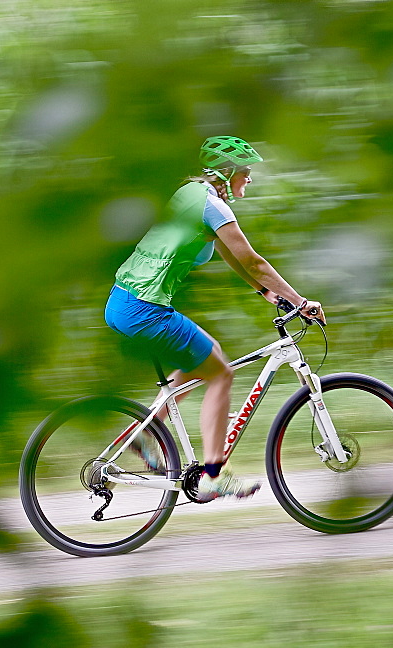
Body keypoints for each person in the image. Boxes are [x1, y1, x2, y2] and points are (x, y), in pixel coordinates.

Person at [104, 136, 325, 502]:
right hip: (145, 307)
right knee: (220, 371)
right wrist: (299, 302)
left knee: (205, 361)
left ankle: (145, 434)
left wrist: (267, 293)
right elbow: (253, 260)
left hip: (125, 302)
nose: (250, 178)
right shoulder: (213, 207)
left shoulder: (191, 196)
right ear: (227, 172)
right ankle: (212, 475)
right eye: (246, 171)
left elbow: (232, 256)